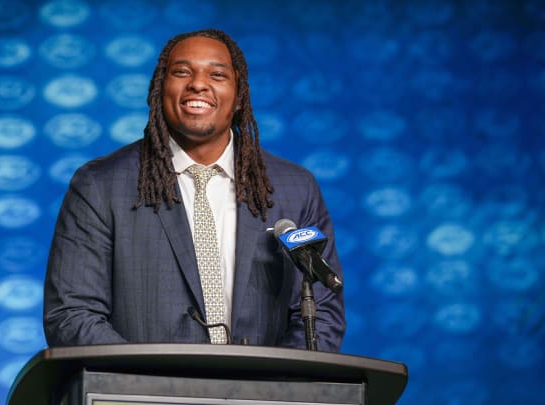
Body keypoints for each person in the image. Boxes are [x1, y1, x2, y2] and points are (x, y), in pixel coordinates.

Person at [43, 29, 345, 352]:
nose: (198, 83)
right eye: (182, 72)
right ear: (161, 88)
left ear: (239, 95)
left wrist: (264, 391)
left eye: (217, 74)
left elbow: (321, 316)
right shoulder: (100, 186)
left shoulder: (295, 188)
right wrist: (156, 391)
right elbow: (72, 316)